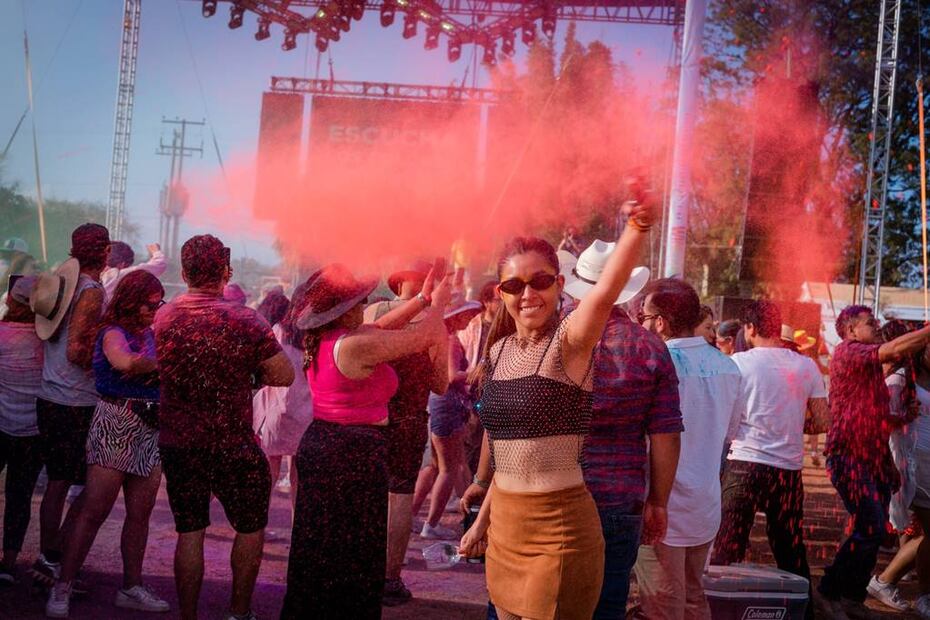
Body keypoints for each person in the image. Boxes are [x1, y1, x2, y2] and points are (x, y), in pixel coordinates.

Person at [458, 190, 654, 620]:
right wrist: (482, 520)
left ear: (560, 285)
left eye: (540, 281)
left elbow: (604, 293)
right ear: (501, 292)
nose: (527, 294)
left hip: (559, 532)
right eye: (513, 285)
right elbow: (509, 453)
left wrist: (637, 228)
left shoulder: (569, 343)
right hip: (506, 530)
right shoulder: (498, 352)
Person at [280, 263, 450, 618]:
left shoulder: (330, 337)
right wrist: (439, 307)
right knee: (354, 549)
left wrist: (421, 299)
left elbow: (383, 325)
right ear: (344, 311)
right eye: (358, 302)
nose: (364, 306)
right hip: (351, 452)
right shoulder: (357, 345)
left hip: (326, 446)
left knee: (321, 544)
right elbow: (422, 338)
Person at [154, 235, 294, 620]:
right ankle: (239, 612)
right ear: (225, 272)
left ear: (183, 273)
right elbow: (283, 376)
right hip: (232, 440)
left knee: (190, 530)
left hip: (180, 440)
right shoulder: (245, 319)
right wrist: (245, 376)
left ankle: (188, 616)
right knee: (250, 527)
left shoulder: (163, 318)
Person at [560, 241, 682, 618]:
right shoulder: (650, 347)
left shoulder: (554, 339)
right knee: (606, 605)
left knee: (548, 602)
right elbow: (665, 433)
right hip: (618, 498)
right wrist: (658, 501)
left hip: (553, 492)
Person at [46, 271, 169, 617]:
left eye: (159, 303)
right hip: (117, 420)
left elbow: (139, 365)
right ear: (132, 301)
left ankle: (131, 587)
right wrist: (164, 363)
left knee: (139, 515)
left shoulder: (152, 334)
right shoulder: (111, 331)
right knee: (93, 512)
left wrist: (157, 363)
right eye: (150, 303)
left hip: (149, 425)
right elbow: (124, 361)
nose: (155, 309)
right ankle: (62, 586)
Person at [710, 300, 829, 620]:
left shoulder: (738, 363)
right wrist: (791, 423)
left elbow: (725, 417)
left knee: (727, 546)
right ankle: (804, 615)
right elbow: (822, 422)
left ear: (749, 328)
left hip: (744, 465)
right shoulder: (807, 366)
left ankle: (718, 610)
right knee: (790, 549)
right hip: (787, 470)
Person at [633, 278, 741, 620]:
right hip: (705, 502)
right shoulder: (729, 367)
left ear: (660, 321)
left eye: (644, 317)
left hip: (660, 504)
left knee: (662, 604)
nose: (642, 324)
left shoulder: (657, 363)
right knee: (693, 596)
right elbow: (731, 433)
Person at [817, 305, 930, 618]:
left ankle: (852, 598)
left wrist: (889, 464)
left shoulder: (871, 370)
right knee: (870, 525)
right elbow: (894, 348)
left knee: (874, 528)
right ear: (852, 330)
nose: (877, 326)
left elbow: (875, 418)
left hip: (872, 460)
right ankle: (829, 591)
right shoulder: (847, 351)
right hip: (848, 456)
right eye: (870, 323)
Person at [365, 259, 448, 605]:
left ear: (398, 283)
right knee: (399, 498)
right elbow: (440, 384)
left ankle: (362, 570)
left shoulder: (373, 312)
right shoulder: (435, 324)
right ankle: (390, 579)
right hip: (410, 418)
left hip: (370, 416)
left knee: (368, 495)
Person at [32, 223, 110, 585]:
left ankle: (50, 556)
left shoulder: (62, 284)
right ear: (106, 252)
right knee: (84, 487)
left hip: (49, 395)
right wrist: (112, 364)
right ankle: (54, 558)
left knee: (58, 483)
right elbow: (79, 350)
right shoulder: (91, 291)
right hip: (76, 401)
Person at [412, 301, 483, 539]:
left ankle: (411, 515)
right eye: (466, 315)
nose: (468, 320)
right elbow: (452, 376)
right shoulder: (450, 340)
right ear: (455, 316)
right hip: (447, 405)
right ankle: (431, 524)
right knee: (448, 469)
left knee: (434, 465)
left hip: (437, 404)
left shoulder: (441, 337)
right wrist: (477, 373)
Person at [867, 321, 921, 612]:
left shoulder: (905, 376)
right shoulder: (896, 380)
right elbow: (885, 420)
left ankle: (903, 568)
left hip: (906, 452)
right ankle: (891, 575)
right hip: (897, 452)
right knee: (904, 511)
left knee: (906, 512)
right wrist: (907, 417)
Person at [252, 286, 313, 512]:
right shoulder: (313, 337)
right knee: (299, 478)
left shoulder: (278, 331)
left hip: (277, 409)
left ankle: (257, 527)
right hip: (306, 413)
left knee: (270, 472)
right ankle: (298, 528)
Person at [0, 276, 44, 584]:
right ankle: (8, 564)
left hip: (0, 426)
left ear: (12, 301)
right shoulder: (49, 341)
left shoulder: (1, 335)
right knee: (19, 496)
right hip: (34, 433)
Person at [101, 241, 166, 302]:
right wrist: (156, 251)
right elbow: (159, 265)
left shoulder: (96, 274)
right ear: (122, 264)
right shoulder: (116, 275)